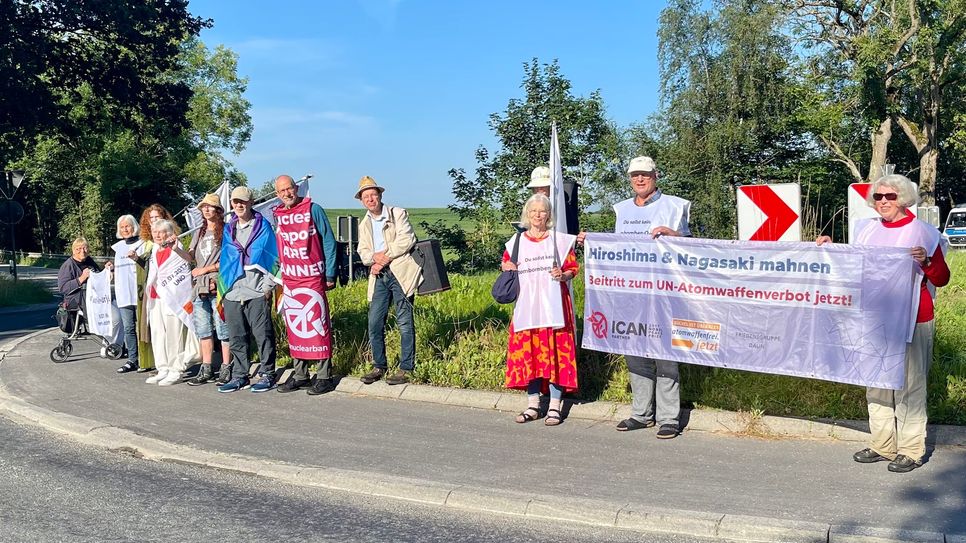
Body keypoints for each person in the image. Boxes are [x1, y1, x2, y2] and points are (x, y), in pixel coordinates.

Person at [817, 174, 950, 473]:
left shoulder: (924, 232)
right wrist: (830, 248)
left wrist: (927, 263)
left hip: (913, 317)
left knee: (910, 386)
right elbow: (853, 264)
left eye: (890, 197)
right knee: (876, 384)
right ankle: (882, 443)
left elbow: (942, 278)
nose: (884, 202)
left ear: (903, 199)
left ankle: (912, 449)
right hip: (873, 318)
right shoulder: (865, 230)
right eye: (878, 197)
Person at [577, 156, 691, 439]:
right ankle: (641, 414)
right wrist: (592, 241)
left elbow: (693, 250)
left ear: (656, 175)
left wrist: (673, 235)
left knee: (666, 354)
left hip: (665, 293)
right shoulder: (622, 209)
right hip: (630, 292)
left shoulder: (675, 206)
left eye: (645, 175)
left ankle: (668, 418)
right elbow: (618, 247)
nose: (639, 180)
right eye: (634, 176)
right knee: (635, 352)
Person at [502, 194, 579, 426]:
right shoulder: (515, 242)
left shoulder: (559, 240)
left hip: (553, 306)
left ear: (549, 215)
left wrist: (563, 275)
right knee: (530, 354)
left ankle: (555, 405)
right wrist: (507, 266)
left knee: (555, 352)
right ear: (527, 214)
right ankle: (533, 404)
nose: (537, 215)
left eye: (542, 211)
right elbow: (506, 263)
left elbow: (573, 268)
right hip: (527, 307)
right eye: (533, 211)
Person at [272, 175, 339, 395]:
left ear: (296, 188)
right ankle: (300, 375)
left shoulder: (313, 209)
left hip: (312, 278)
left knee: (317, 325)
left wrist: (330, 273)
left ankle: (324, 376)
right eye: (281, 191)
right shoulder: (279, 214)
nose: (286, 194)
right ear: (277, 194)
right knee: (295, 328)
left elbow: (328, 240)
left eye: (289, 189)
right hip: (291, 279)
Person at [355, 175, 422, 385]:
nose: (370, 199)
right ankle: (379, 365)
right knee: (374, 322)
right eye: (366, 196)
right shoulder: (364, 223)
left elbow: (407, 239)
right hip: (379, 276)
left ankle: (406, 367)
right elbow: (363, 252)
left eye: (373, 194)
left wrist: (384, 257)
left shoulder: (397, 213)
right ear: (361, 200)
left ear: (380, 195)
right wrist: (375, 260)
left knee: (404, 322)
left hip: (401, 274)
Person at [217, 186, 280, 393]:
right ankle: (240, 375)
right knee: (236, 336)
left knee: (263, 335)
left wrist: (266, 287)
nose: (239, 205)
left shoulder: (264, 227)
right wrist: (225, 291)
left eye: (243, 201)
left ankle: (267, 373)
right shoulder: (228, 230)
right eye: (235, 202)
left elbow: (274, 257)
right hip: (233, 292)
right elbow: (226, 261)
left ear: (251, 202)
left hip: (256, 291)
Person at [142, 219, 200, 386]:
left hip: (172, 298)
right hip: (155, 297)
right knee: (158, 333)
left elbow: (185, 267)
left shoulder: (177, 248)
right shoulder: (154, 249)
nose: (158, 236)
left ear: (169, 233)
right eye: (155, 232)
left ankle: (176, 370)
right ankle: (163, 368)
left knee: (173, 335)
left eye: (161, 232)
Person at [185, 194, 231, 386]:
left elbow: (230, 260)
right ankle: (206, 367)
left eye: (210, 207)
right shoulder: (199, 232)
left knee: (222, 328)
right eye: (204, 207)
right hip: (200, 286)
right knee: (203, 328)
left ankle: (227, 367)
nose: (206, 210)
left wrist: (207, 269)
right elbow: (190, 258)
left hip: (217, 284)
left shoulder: (226, 231)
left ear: (218, 210)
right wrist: (175, 248)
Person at [111, 215, 147, 373]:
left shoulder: (143, 243)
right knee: (128, 328)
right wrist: (110, 268)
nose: (125, 229)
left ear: (134, 227)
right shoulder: (117, 247)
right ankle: (132, 359)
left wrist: (137, 258)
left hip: (139, 292)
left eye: (128, 226)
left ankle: (146, 358)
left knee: (143, 328)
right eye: (122, 227)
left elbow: (147, 266)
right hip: (123, 293)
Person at [57, 237, 106, 314]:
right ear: (73, 251)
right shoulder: (68, 265)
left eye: (85, 248)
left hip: (95, 298)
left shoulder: (89, 261)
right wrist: (82, 278)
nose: (82, 251)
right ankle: (90, 325)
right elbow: (63, 288)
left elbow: (99, 277)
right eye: (78, 249)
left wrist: (108, 271)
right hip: (76, 300)